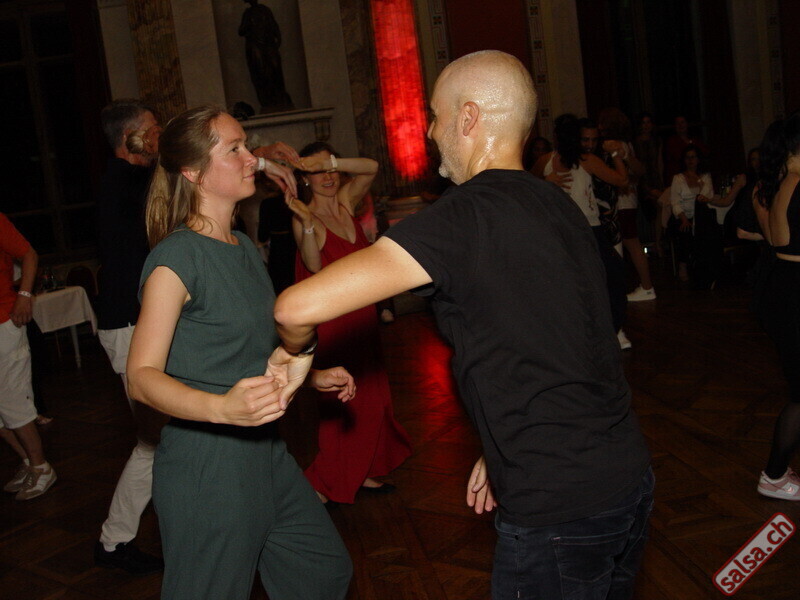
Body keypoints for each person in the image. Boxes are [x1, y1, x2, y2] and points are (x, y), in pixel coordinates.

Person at [273, 50, 653, 600]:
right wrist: (502, 443)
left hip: (558, 508)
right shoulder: (555, 203)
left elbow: (294, 308)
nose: (430, 132)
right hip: (624, 474)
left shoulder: (459, 218)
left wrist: (292, 358)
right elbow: (566, 340)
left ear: (469, 117)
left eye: (435, 115)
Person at [126, 105, 354, 600]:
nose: (252, 158)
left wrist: (309, 377)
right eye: (235, 149)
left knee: (321, 571)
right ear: (193, 172)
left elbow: (252, 350)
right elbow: (140, 376)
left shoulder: (243, 247)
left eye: (246, 145)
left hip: (266, 454)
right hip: (209, 468)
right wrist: (221, 408)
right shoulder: (176, 257)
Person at [287, 141, 411, 504]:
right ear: (305, 179)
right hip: (335, 325)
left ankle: (364, 469)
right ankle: (323, 481)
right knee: (345, 402)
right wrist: (307, 223)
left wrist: (329, 160)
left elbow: (371, 166)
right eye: (317, 172)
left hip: (362, 319)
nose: (327, 177)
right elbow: (312, 264)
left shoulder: (345, 201)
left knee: (373, 397)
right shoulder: (305, 217)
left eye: (331, 169)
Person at [94, 99, 167, 574]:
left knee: (164, 437)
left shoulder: (133, 181)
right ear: (130, 138)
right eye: (152, 129)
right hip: (127, 327)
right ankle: (113, 541)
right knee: (154, 439)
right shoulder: (122, 182)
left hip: (138, 324)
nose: (158, 135)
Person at [533, 115, 631, 348]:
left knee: (608, 277)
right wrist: (545, 180)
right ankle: (594, 334)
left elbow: (621, 181)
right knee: (589, 282)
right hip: (567, 231)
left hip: (584, 229)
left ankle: (609, 331)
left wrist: (616, 155)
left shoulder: (585, 160)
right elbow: (523, 182)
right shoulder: (550, 161)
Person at [755, 112, 800, 500]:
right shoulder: (795, 182)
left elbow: (777, 240)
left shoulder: (778, 184)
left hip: (785, 286)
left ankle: (776, 474)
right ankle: (773, 475)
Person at [0, 213, 57, 501]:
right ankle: (28, 462)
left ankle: (42, 467)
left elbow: (29, 254)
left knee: (13, 401)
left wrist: (24, 295)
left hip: (3, 322)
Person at [597, 108, 655, 303]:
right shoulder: (625, 143)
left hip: (621, 202)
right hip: (625, 201)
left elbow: (636, 171)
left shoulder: (615, 145)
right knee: (627, 244)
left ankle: (646, 287)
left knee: (631, 243)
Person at [239, 0, 293, 111]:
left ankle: (280, 98)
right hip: (255, 46)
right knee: (261, 73)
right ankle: (267, 100)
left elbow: (273, 24)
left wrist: (278, 38)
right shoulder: (248, 13)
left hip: (268, 45)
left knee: (275, 70)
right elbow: (241, 31)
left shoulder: (264, 10)